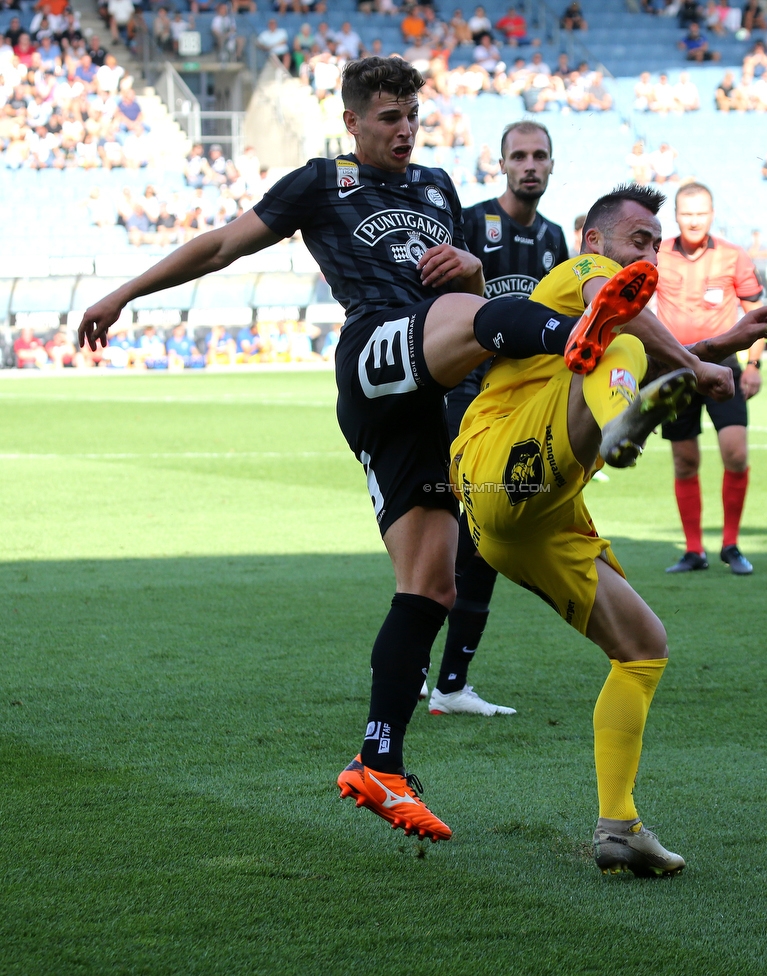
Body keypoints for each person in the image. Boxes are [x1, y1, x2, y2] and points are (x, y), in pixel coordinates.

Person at [77, 56, 658, 844]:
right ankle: (577, 338)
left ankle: (378, 762)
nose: (405, 130)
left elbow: (471, 287)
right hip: (375, 350)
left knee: (432, 588)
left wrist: (478, 264)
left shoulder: (437, 188)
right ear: (352, 122)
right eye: (388, 118)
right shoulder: (319, 183)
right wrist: (122, 294)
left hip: (424, 395)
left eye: (412, 116)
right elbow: (221, 247)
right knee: (469, 312)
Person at [450, 183, 767, 874]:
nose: (651, 253)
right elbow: (626, 320)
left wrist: (720, 344)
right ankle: (619, 427)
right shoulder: (580, 275)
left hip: (532, 519)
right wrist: (700, 363)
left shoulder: (620, 314)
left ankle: (618, 826)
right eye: (639, 238)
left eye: (656, 244)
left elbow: (639, 333)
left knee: (643, 646)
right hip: (497, 456)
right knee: (621, 339)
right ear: (593, 241)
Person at [428, 120, 570, 717]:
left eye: (539, 156)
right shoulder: (473, 221)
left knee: (476, 543)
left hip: (517, 403)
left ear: (552, 165)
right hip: (464, 395)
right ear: (502, 164)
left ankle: (447, 683)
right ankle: (435, 679)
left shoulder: (557, 237)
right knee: (458, 539)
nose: (530, 165)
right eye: (519, 156)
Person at [654, 182, 765, 576]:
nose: (694, 220)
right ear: (676, 216)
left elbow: (755, 313)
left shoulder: (734, 256)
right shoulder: (657, 254)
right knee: (685, 460)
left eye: (701, 213)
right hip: (677, 368)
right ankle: (693, 550)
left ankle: (731, 544)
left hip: (723, 368)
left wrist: (754, 366)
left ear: (712, 214)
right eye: (687, 213)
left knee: (735, 453)